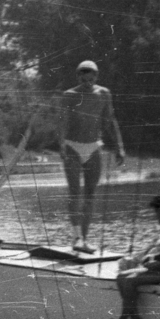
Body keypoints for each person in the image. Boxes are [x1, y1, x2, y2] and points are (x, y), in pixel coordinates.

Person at [59, 60, 124, 253]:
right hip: (72, 146)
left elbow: (110, 121)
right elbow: (62, 122)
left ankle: (84, 239)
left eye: (91, 77)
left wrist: (120, 147)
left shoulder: (104, 94)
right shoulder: (69, 95)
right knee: (74, 192)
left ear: (96, 77)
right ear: (78, 76)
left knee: (90, 195)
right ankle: (76, 237)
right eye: (83, 77)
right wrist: (61, 144)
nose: (87, 81)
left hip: (94, 146)